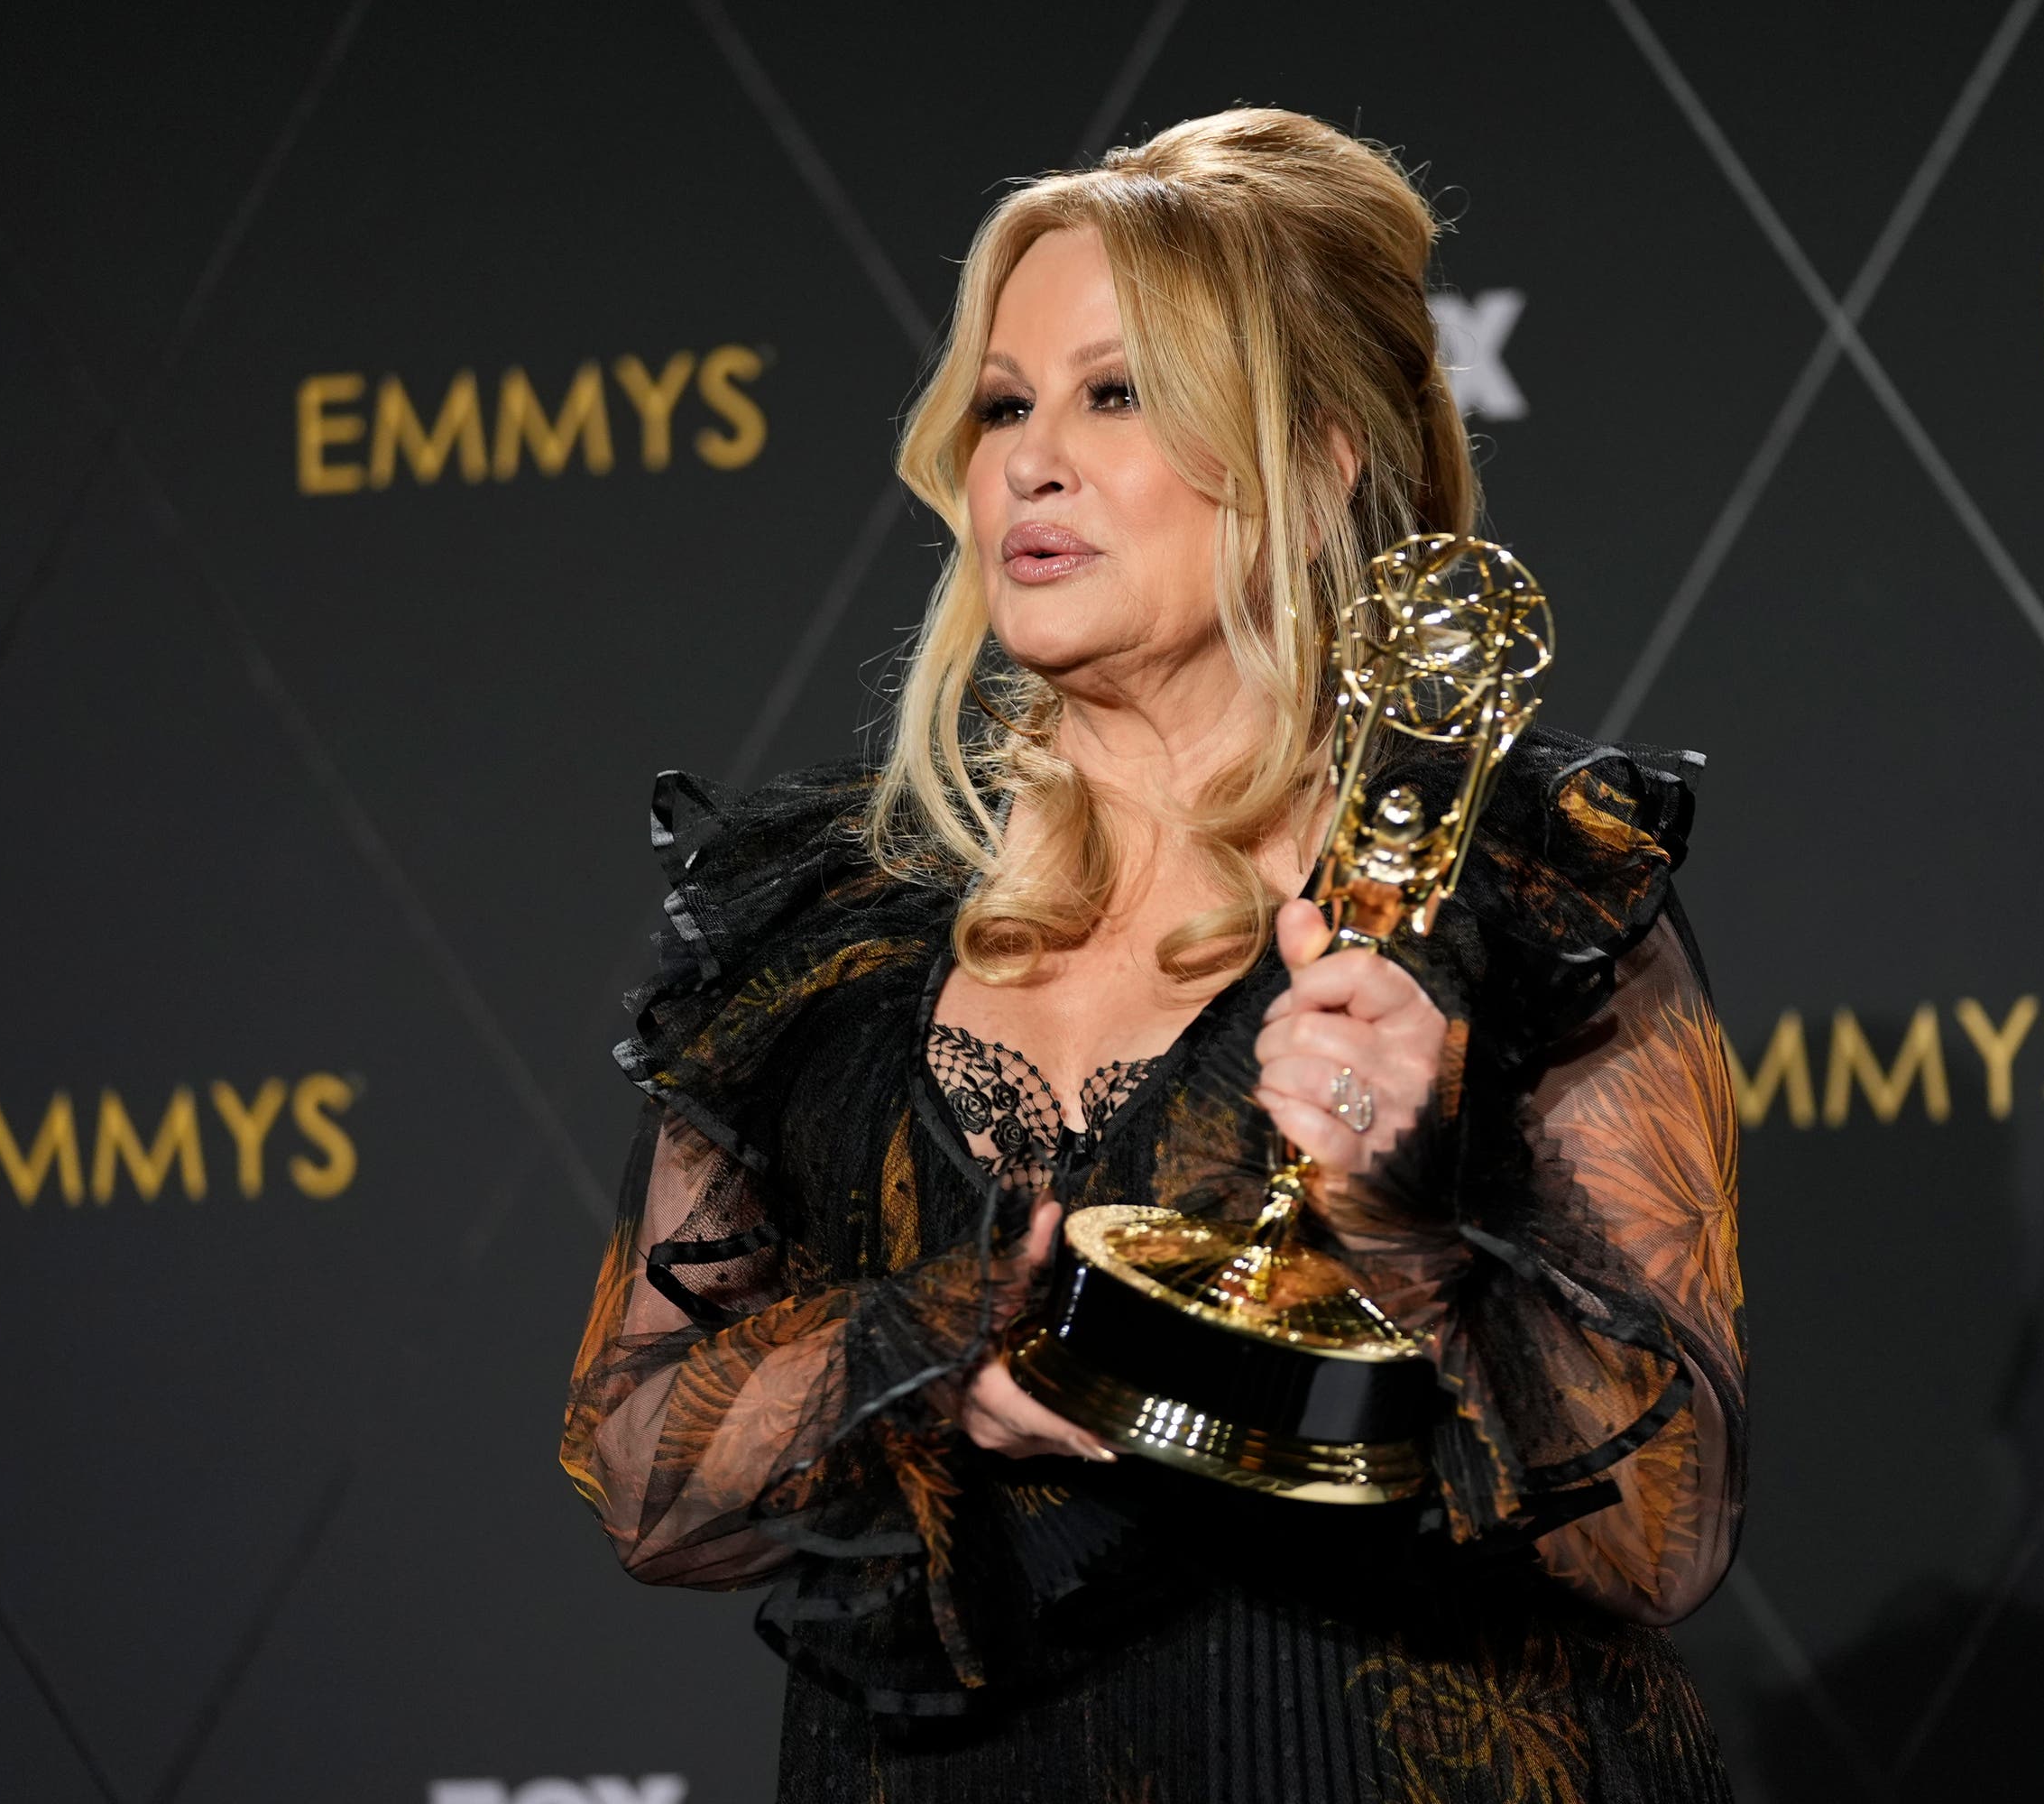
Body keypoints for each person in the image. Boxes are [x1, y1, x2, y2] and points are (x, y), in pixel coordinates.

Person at [561, 107, 1747, 1802]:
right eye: (1003, 403)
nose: (1031, 460)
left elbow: (1665, 1531)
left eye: (1117, 394)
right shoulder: (825, 928)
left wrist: (1403, 1239)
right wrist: (931, 1358)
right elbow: (644, 1478)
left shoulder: (1513, 895)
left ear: (1317, 453)